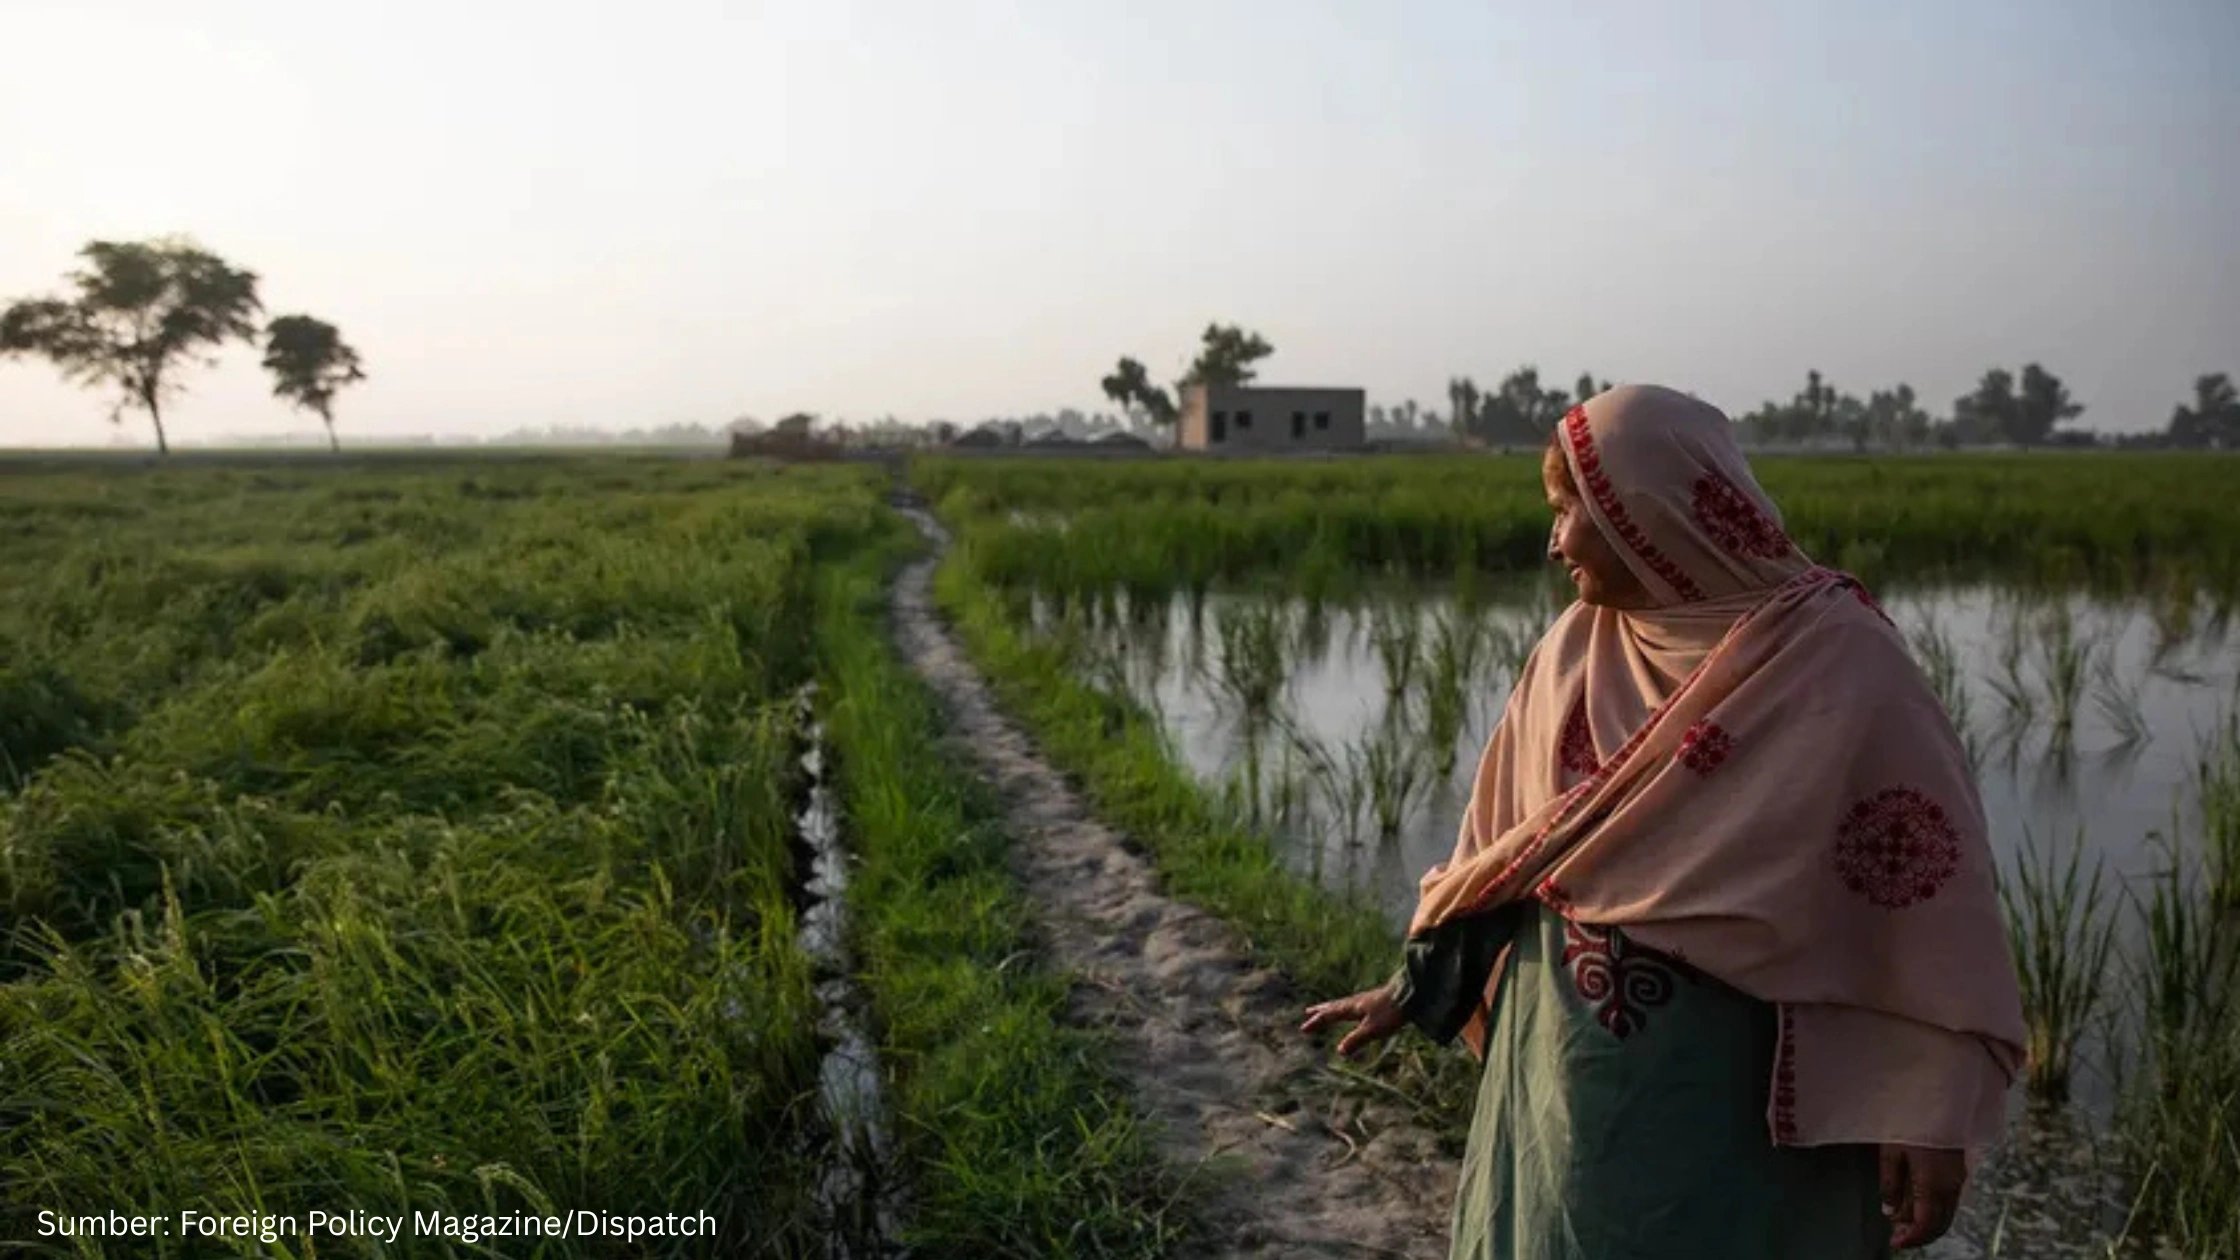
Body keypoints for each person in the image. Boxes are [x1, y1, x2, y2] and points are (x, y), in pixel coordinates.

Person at [1301, 385, 2026, 1259]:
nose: (1553, 540)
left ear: (1643, 513)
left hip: (1742, 1108)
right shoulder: (1575, 650)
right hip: (1564, 1080)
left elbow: (1923, 905)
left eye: (1569, 511)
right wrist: (1417, 985)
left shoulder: (1836, 658)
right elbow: (1504, 856)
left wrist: (1927, 1111)